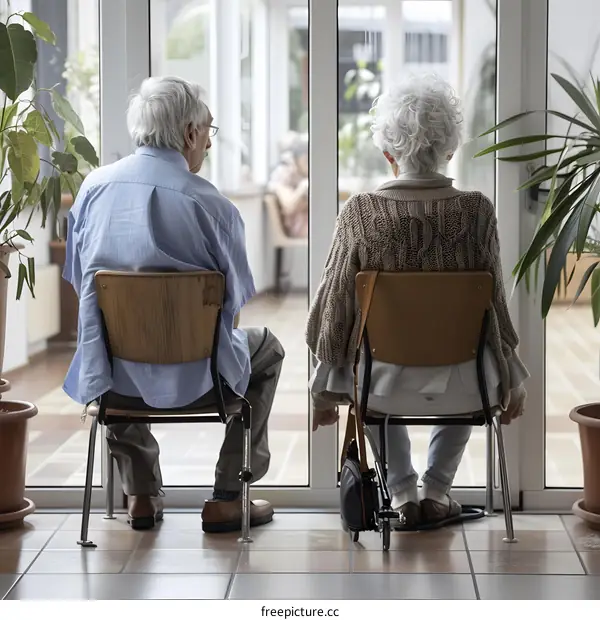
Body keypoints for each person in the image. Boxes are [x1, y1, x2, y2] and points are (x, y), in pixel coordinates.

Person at [306, 74, 529, 528]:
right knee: (477, 351)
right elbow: (494, 312)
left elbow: (332, 312)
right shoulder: (477, 211)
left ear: (389, 154)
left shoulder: (360, 212)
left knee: (359, 373)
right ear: (450, 149)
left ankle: (404, 493)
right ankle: (438, 491)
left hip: (380, 385)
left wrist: (321, 393)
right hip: (468, 384)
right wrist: (513, 378)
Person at [63, 76, 284, 533]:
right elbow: (235, 302)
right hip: (205, 382)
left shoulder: (92, 190)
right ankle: (227, 495)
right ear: (188, 134)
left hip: (113, 384)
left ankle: (140, 494)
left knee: (109, 335)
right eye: (208, 131)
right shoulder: (213, 206)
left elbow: (81, 289)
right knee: (269, 348)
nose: (208, 142)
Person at [267, 132, 309, 238]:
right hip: (300, 227)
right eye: (307, 159)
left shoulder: (303, 175)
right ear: (297, 159)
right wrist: (304, 186)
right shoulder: (284, 174)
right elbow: (289, 206)